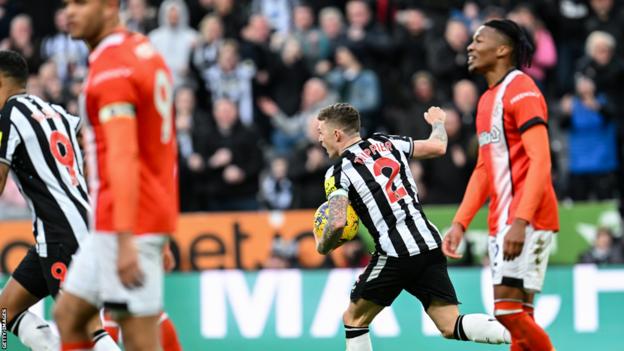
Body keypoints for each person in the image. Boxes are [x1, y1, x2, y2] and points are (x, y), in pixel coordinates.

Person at [315, 102, 510, 351]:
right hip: (429, 242)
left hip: (396, 252)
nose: (319, 139)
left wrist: (323, 245)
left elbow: (338, 221)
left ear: (337, 134)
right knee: (450, 325)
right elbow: (438, 146)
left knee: (354, 319)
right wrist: (438, 123)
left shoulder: (338, 172)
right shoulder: (388, 143)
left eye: (321, 132)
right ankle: (520, 335)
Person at [55, 1, 180, 350]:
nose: (70, 12)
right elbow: (163, 147)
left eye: (81, 3)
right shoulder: (143, 51)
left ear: (110, 6)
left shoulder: (112, 69)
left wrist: (127, 239)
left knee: (140, 338)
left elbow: (124, 154)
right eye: (67, 4)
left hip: (126, 224)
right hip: (127, 220)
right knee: (69, 316)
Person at [442, 19, 559, 351]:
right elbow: (483, 170)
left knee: (508, 314)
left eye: (479, 41)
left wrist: (521, 221)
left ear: (503, 49)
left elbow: (541, 160)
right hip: (504, 219)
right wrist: (460, 222)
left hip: (526, 217)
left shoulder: (522, 88)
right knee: (519, 315)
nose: (470, 46)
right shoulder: (485, 101)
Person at [0, 50, 118, 350]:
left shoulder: (7, 116)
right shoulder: (53, 111)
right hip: (65, 229)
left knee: (84, 329)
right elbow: (91, 141)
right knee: (4, 312)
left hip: (61, 234)